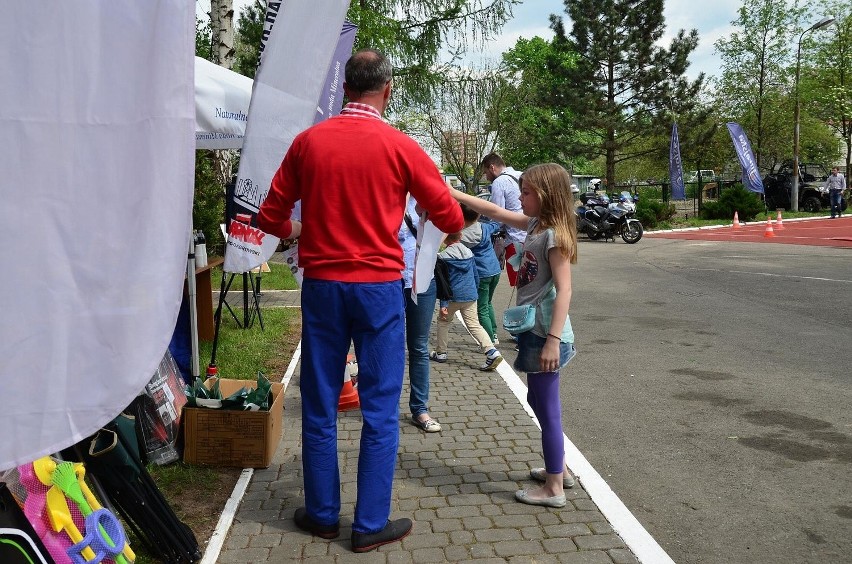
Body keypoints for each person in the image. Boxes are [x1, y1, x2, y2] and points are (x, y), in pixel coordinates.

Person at [257, 48, 464, 553]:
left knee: (322, 403)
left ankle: (324, 516)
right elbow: (452, 219)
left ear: (346, 88)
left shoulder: (308, 142)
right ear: (386, 90)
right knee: (378, 408)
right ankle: (370, 524)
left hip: (324, 287)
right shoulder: (401, 147)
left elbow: (268, 217)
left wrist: (298, 230)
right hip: (377, 289)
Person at [451, 163, 579, 508]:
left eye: (525, 192)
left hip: (545, 334)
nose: (518, 198)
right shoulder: (538, 226)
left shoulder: (554, 236)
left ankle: (554, 488)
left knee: (547, 408)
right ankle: (560, 469)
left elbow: (564, 291)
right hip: (533, 331)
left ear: (546, 195)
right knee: (538, 401)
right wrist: (447, 191)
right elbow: (493, 210)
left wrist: (552, 340)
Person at [430, 230, 503, 371]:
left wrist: (443, 304)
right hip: (470, 295)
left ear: (445, 239)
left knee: (443, 321)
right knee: (474, 325)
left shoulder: (443, 258)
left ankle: (441, 352)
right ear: (461, 236)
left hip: (453, 297)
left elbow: (443, 283)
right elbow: (476, 275)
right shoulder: (469, 253)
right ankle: (491, 351)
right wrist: (474, 292)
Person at [399, 197, 441, 433]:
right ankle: (383, 407)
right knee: (387, 346)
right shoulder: (383, 192)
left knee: (419, 347)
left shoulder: (423, 196)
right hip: (387, 281)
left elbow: (452, 222)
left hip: (422, 280)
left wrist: (434, 246)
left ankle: (420, 409)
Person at [459, 202, 502, 345]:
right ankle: (494, 333)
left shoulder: (461, 235)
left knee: (481, 308)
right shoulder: (484, 227)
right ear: (478, 214)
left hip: (481, 274)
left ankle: (488, 340)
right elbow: (496, 224)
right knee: (488, 303)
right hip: (495, 270)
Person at [481, 153, 525, 286]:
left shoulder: (499, 182)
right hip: (531, 235)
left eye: (485, 172)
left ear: (492, 167)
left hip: (514, 240)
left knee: (519, 286)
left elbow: (497, 216)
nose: (487, 177)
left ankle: (525, 308)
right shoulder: (521, 175)